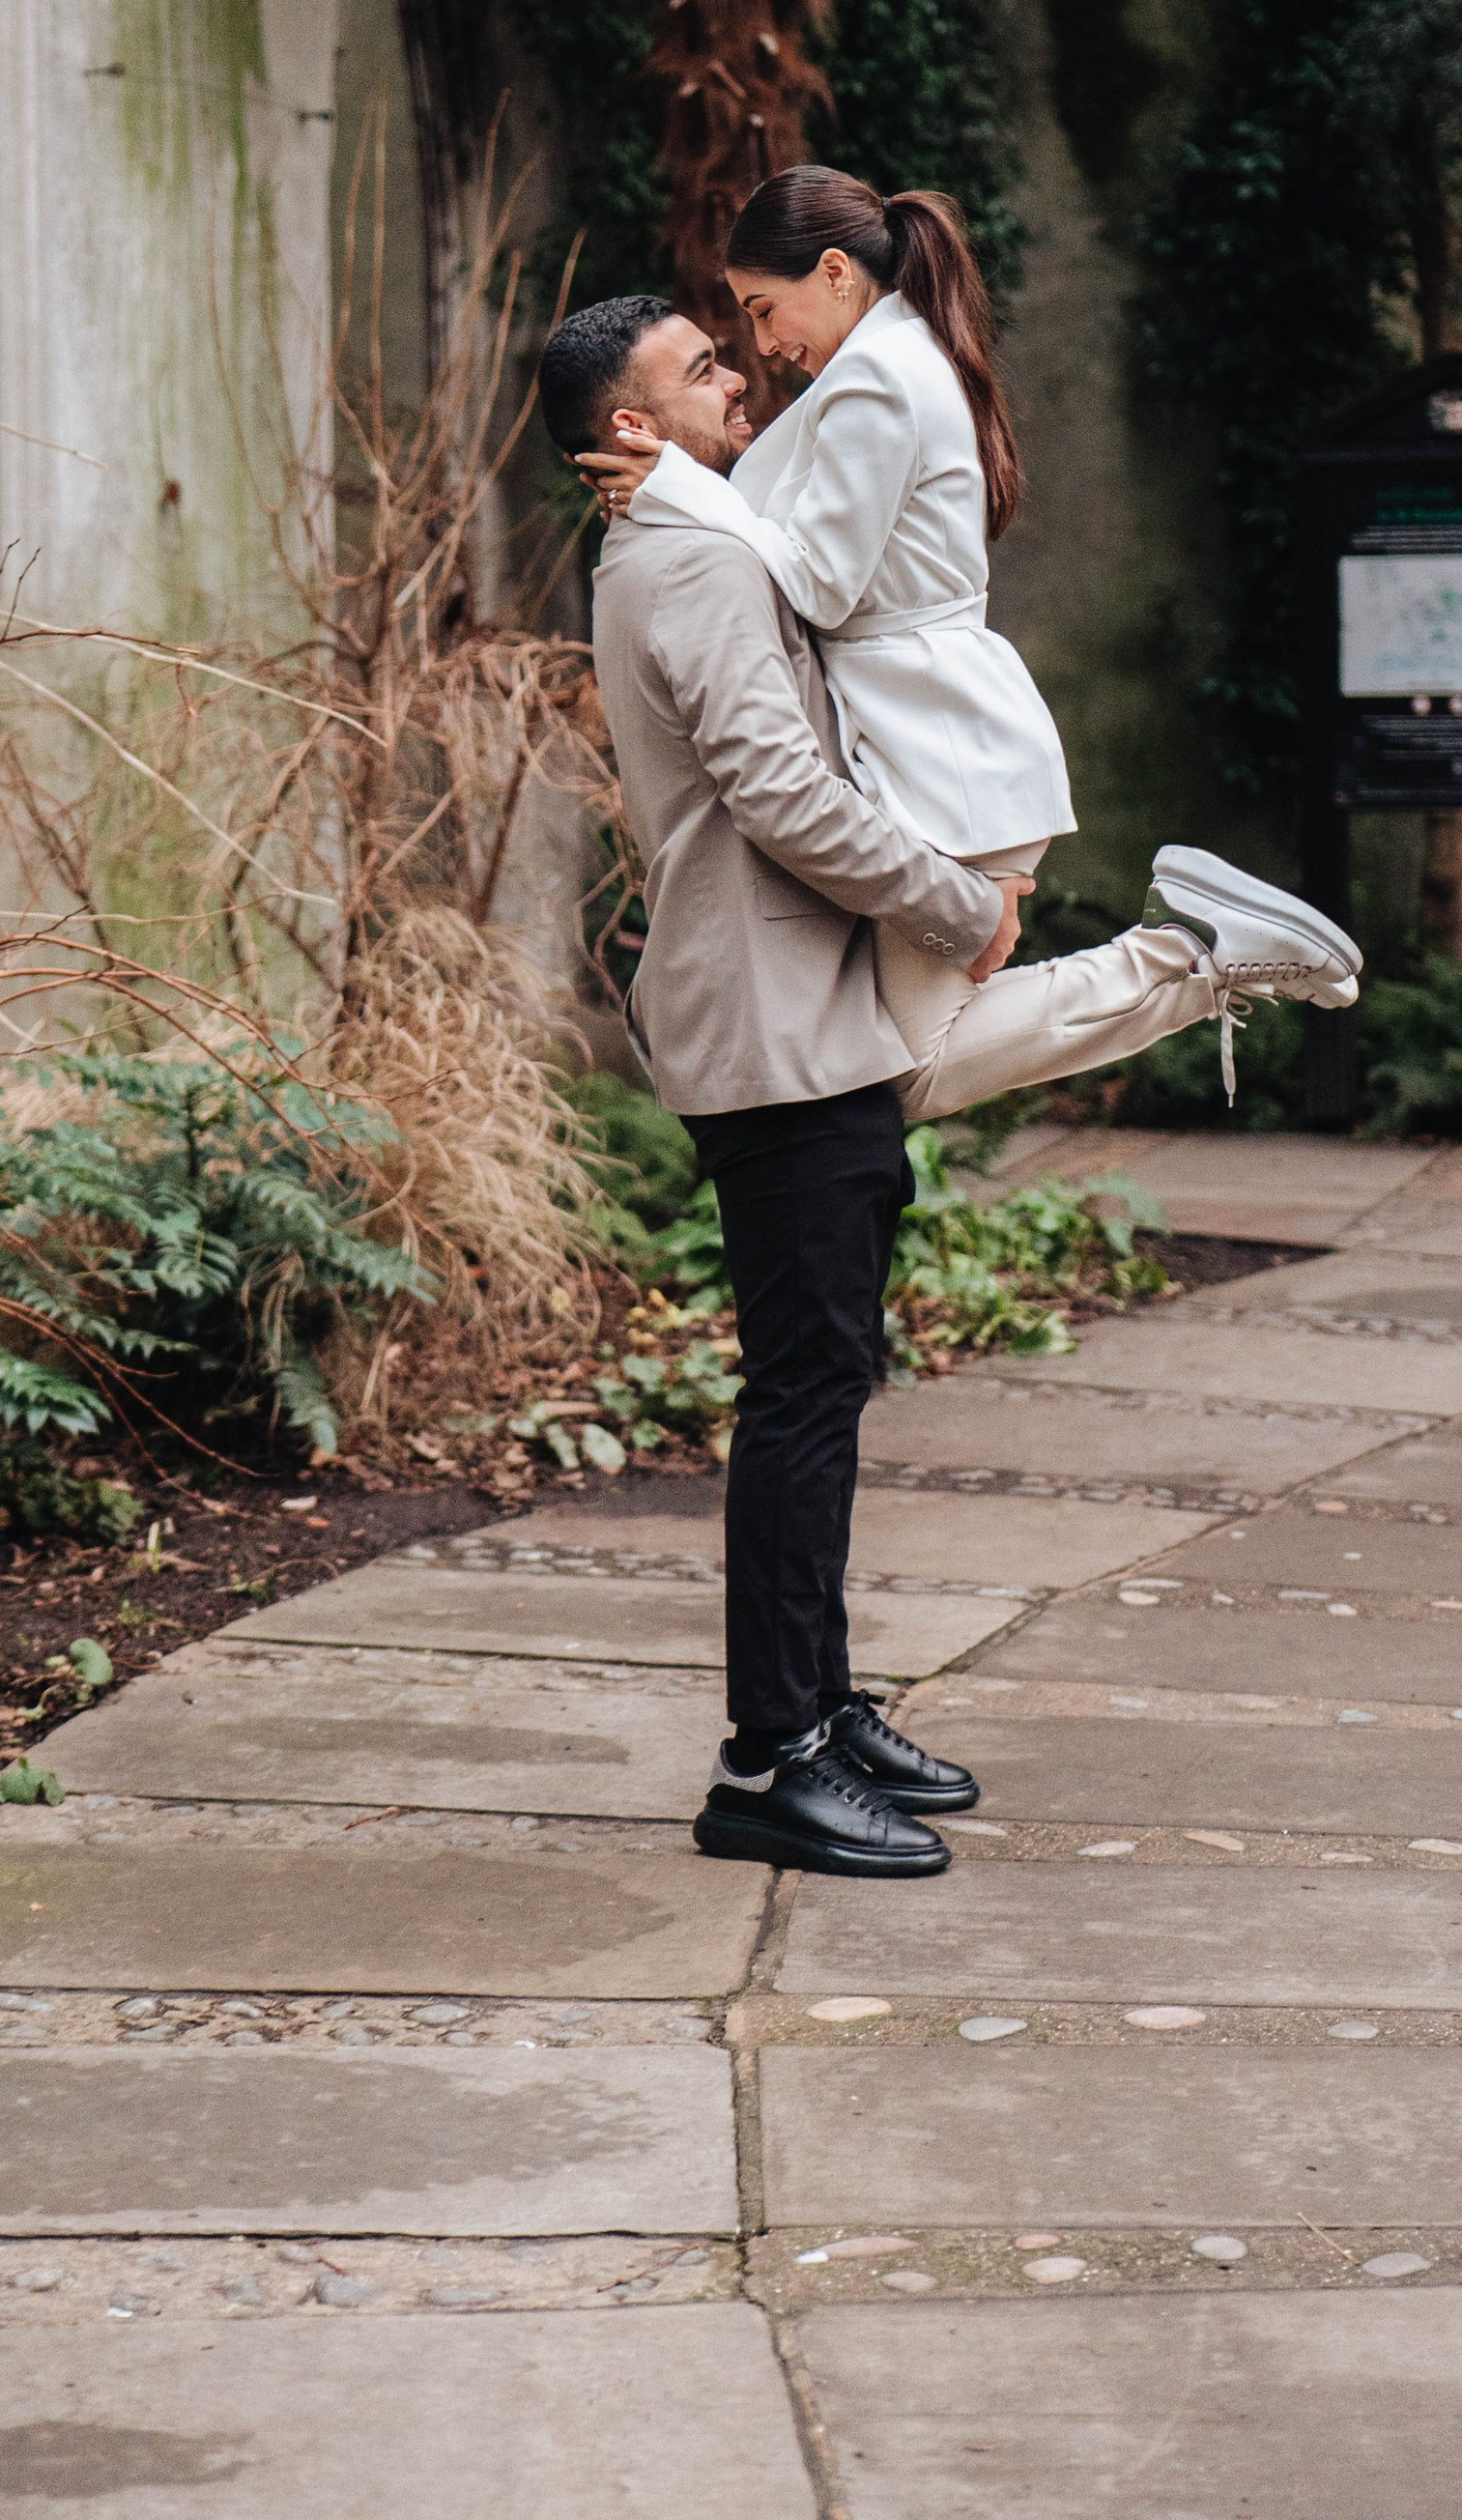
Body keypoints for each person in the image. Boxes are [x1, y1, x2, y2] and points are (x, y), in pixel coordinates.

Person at [538, 274, 1358, 1884]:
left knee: (825, 1390)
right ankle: (768, 1759)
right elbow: (780, 786)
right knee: (802, 1402)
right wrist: (952, 902)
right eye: (704, 371)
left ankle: (822, 1713)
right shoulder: (687, 560)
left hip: (801, 1014)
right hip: (771, 1027)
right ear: (630, 425)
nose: (736, 384)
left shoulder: (700, 529)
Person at [572, 165, 1361, 1107]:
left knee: (905, 1069)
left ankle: (1194, 956)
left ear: (832, 274)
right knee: (885, 1061)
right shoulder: (879, 369)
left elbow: (817, 585)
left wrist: (679, 489)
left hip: (939, 750)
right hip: (924, 745)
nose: (764, 344)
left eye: (763, 308)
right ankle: (1197, 955)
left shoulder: (879, 381)